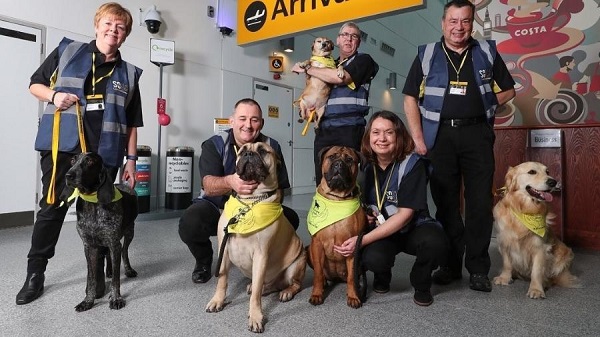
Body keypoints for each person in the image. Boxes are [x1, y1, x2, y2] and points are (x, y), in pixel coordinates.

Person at [16, 2, 143, 305]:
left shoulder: (129, 73)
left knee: (102, 214)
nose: (114, 30)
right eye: (109, 24)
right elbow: (34, 84)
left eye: (121, 27)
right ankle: (35, 273)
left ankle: (97, 278)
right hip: (63, 148)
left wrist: (131, 161)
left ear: (125, 35)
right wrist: (55, 95)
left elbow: (132, 123)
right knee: (51, 208)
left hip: (104, 155)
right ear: (98, 25)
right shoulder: (67, 51)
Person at [402, 0, 516, 293]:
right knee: (446, 204)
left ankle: (478, 269)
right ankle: (451, 264)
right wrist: (418, 139)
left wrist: (485, 103)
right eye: (453, 21)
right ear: (443, 23)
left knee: (479, 204)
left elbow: (508, 89)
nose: (459, 27)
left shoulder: (487, 51)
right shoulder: (427, 54)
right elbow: (410, 98)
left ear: (472, 23)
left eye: (465, 21)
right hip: (439, 137)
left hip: (477, 134)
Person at [178, 98, 300, 284]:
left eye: (254, 120)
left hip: (258, 205)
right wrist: (230, 182)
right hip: (218, 207)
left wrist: (265, 210)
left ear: (261, 123)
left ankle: (258, 259)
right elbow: (208, 185)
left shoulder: (271, 146)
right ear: (232, 121)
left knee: (290, 219)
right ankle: (203, 260)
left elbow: (281, 188)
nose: (248, 125)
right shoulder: (214, 144)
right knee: (190, 222)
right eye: (242, 118)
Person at [333, 111, 448, 306]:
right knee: (374, 258)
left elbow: (405, 215)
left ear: (399, 136)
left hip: (413, 228)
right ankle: (382, 275)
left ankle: (421, 283)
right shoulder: (364, 168)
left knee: (435, 242)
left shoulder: (412, 164)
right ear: (369, 138)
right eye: (376, 132)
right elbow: (356, 203)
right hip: (382, 230)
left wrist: (361, 240)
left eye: (389, 132)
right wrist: (364, 216)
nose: (382, 139)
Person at [292, 22, 379, 185]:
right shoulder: (331, 64)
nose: (349, 39)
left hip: (349, 129)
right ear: (337, 41)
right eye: (345, 35)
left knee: (347, 179)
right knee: (323, 178)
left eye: (354, 36)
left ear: (358, 42)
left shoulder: (364, 61)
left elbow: (341, 78)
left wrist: (307, 68)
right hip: (324, 129)